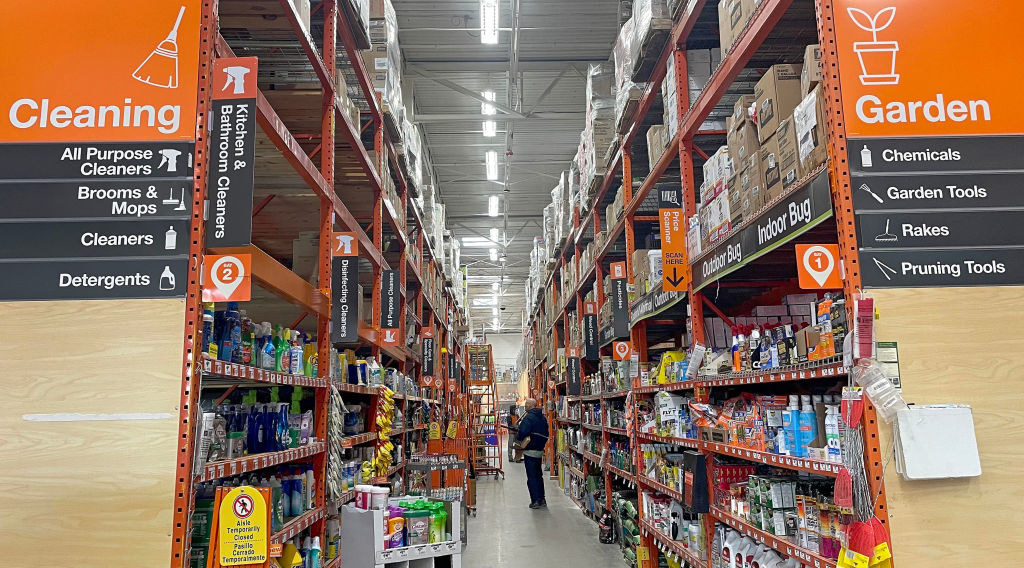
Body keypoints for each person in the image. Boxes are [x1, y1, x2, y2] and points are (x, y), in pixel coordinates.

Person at [515, 398, 549, 509]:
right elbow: (546, 432)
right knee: (539, 476)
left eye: (526, 405)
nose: (525, 407)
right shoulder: (543, 418)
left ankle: (535, 501)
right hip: (539, 450)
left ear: (529, 406)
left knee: (532, 477)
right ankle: (542, 499)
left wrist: (518, 435)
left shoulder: (528, 418)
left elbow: (523, 432)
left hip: (530, 451)